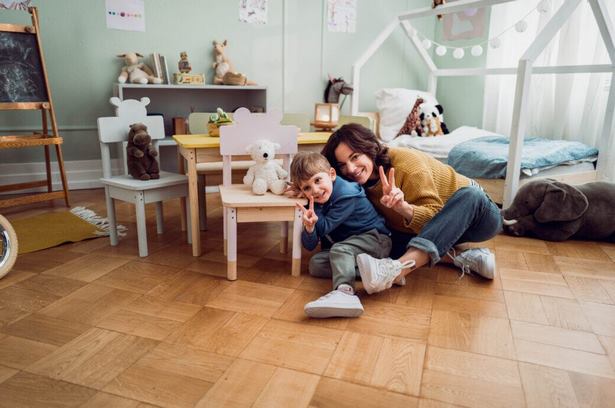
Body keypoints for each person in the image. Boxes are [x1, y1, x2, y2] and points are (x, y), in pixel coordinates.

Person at [320, 123, 502, 294]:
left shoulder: (407, 165)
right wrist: (301, 188)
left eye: (355, 157)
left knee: (471, 194)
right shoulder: (352, 184)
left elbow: (435, 218)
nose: (351, 169)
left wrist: (403, 208)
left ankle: (396, 270)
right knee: (385, 241)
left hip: (478, 215)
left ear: (369, 148)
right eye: (342, 165)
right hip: (434, 233)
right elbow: (320, 181)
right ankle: (461, 258)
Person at [290, 151, 392, 318]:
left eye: (317, 180)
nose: (315, 190)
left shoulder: (346, 194)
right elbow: (309, 245)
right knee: (315, 264)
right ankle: (382, 271)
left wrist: (312, 206)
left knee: (339, 250)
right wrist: (309, 228)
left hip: (376, 240)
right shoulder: (318, 203)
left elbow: (323, 228)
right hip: (351, 247)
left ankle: (345, 293)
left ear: (331, 174)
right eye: (307, 187)